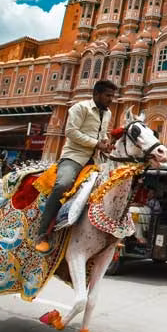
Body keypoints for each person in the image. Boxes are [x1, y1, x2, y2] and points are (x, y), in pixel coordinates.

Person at [34, 80, 117, 252]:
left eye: (112, 96)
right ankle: (42, 233)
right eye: (108, 95)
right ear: (97, 94)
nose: (111, 99)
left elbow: (101, 136)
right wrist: (96, 144)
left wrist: (106, 144)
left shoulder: (107, 113)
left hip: (96, 160)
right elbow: (71, 132)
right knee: (63, 184)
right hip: (74, 157)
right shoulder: (80, 108)